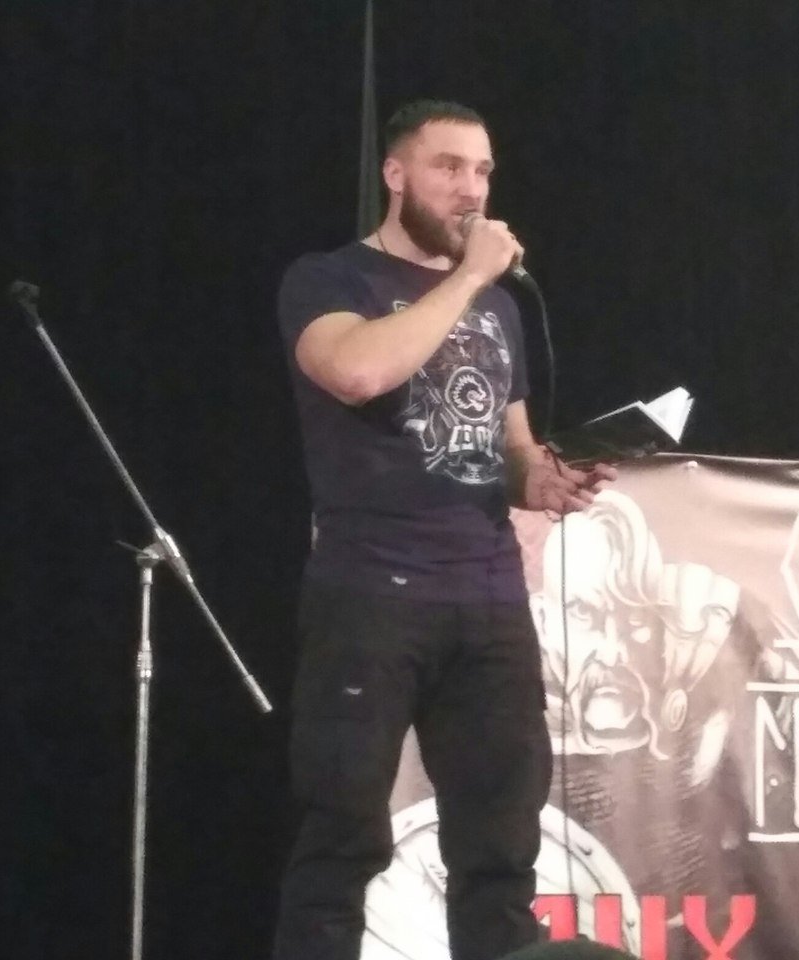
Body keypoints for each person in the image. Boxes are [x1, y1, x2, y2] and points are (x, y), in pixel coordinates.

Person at [272, 99, 613, 960]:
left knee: (501, 848)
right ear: (395, 174)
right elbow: (356, 372)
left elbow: (511, 447)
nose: (471, 189)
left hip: (488, 597)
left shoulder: (499, 311)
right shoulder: (329, 279)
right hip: (371, 595)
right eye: (449, 167)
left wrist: (545, 479)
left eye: (484, 170)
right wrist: (467, 280)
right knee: (342, 838)